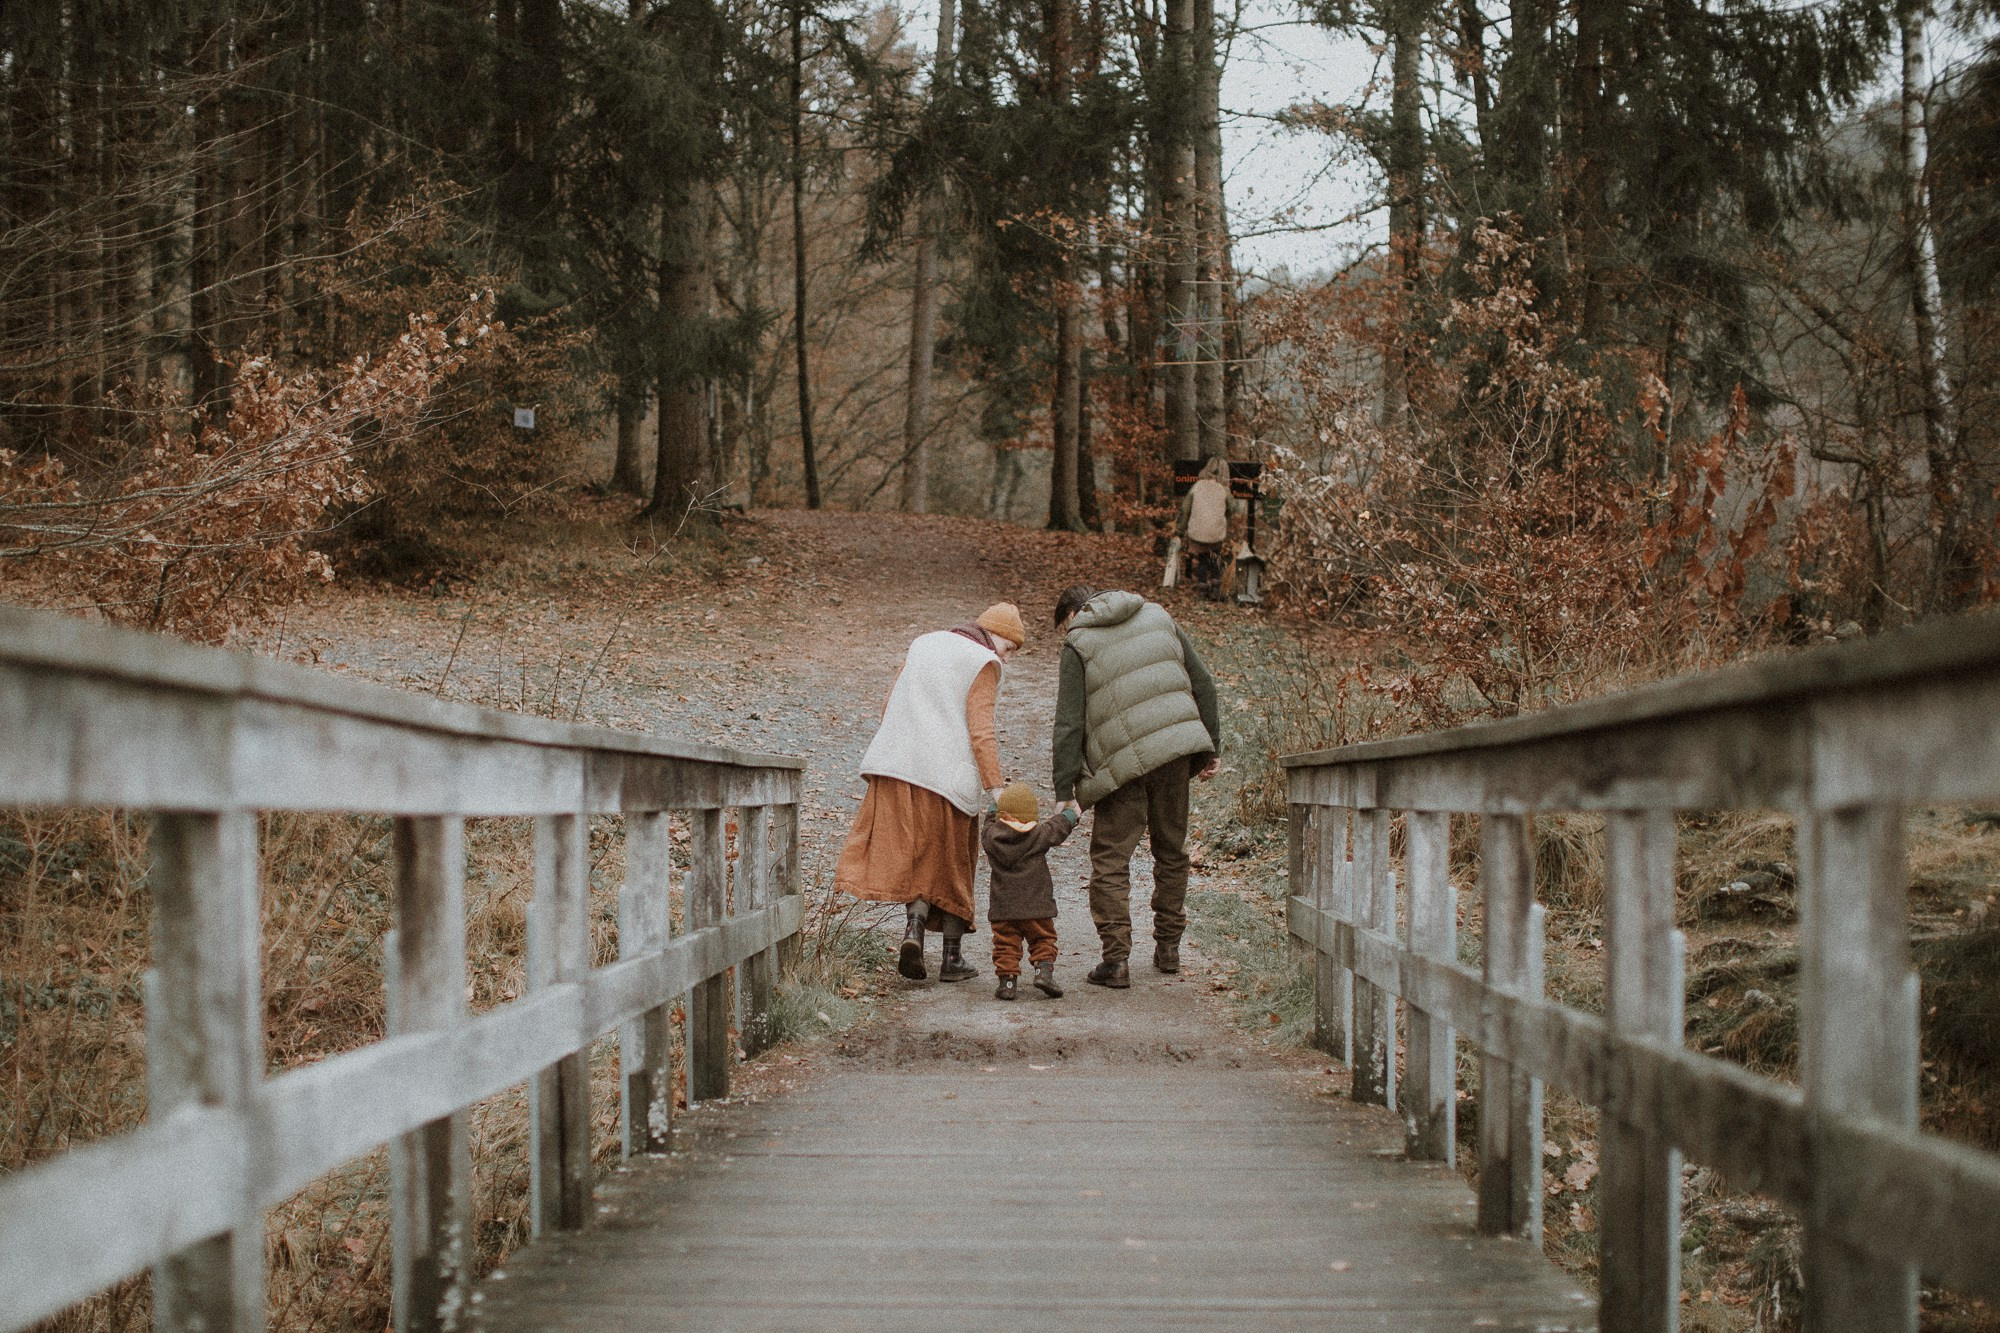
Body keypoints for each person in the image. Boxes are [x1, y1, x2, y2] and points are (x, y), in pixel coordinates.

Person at [835, 602, 1026, 983]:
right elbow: (982, 731)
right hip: (945, 777)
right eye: (1011, 648)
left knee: (918, 855)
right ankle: (952, 960)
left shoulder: (924, 644)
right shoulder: (984, 663)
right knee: (954, 861)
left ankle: (914, 931)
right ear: (999, 635)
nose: (1008, 657)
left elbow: (889, 703)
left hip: (898, 765)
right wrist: (996, 788)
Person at [1050, 585, 1221, 988]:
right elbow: (1205, 684)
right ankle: (1169, 949)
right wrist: (1212, 745)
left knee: (1111, 859)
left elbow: (1069, 722)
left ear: (1073, 614)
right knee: (1171, 850)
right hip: (1175, 752)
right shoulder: (1159, 616)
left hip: (1120, 766)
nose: (1066, 634)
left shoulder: (1079, 641)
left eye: (1064, 627)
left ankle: (1116, 961)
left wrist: (1063, 789)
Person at [982, 782, 1080, 1001]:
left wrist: (992, 809)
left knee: (1006, 944)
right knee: (1043, 940)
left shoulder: (991, 837)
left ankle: (1007, 983)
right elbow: (1059, 827)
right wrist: (1071, 815)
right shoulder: (1039, 834)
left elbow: (988, 824)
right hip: (1037, 906)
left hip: (1003, 908)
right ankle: (1043, 972)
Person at [1181, 457, 1231, 601]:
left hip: (1198, 531)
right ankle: (1216, 586)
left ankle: (1202, 589)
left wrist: (1179, 531)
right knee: (1215, 556)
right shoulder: (1224, 489)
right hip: (1216, 532)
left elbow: (1185, 510)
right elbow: (1231, 509)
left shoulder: (1197, 486)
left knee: (1202, 558)